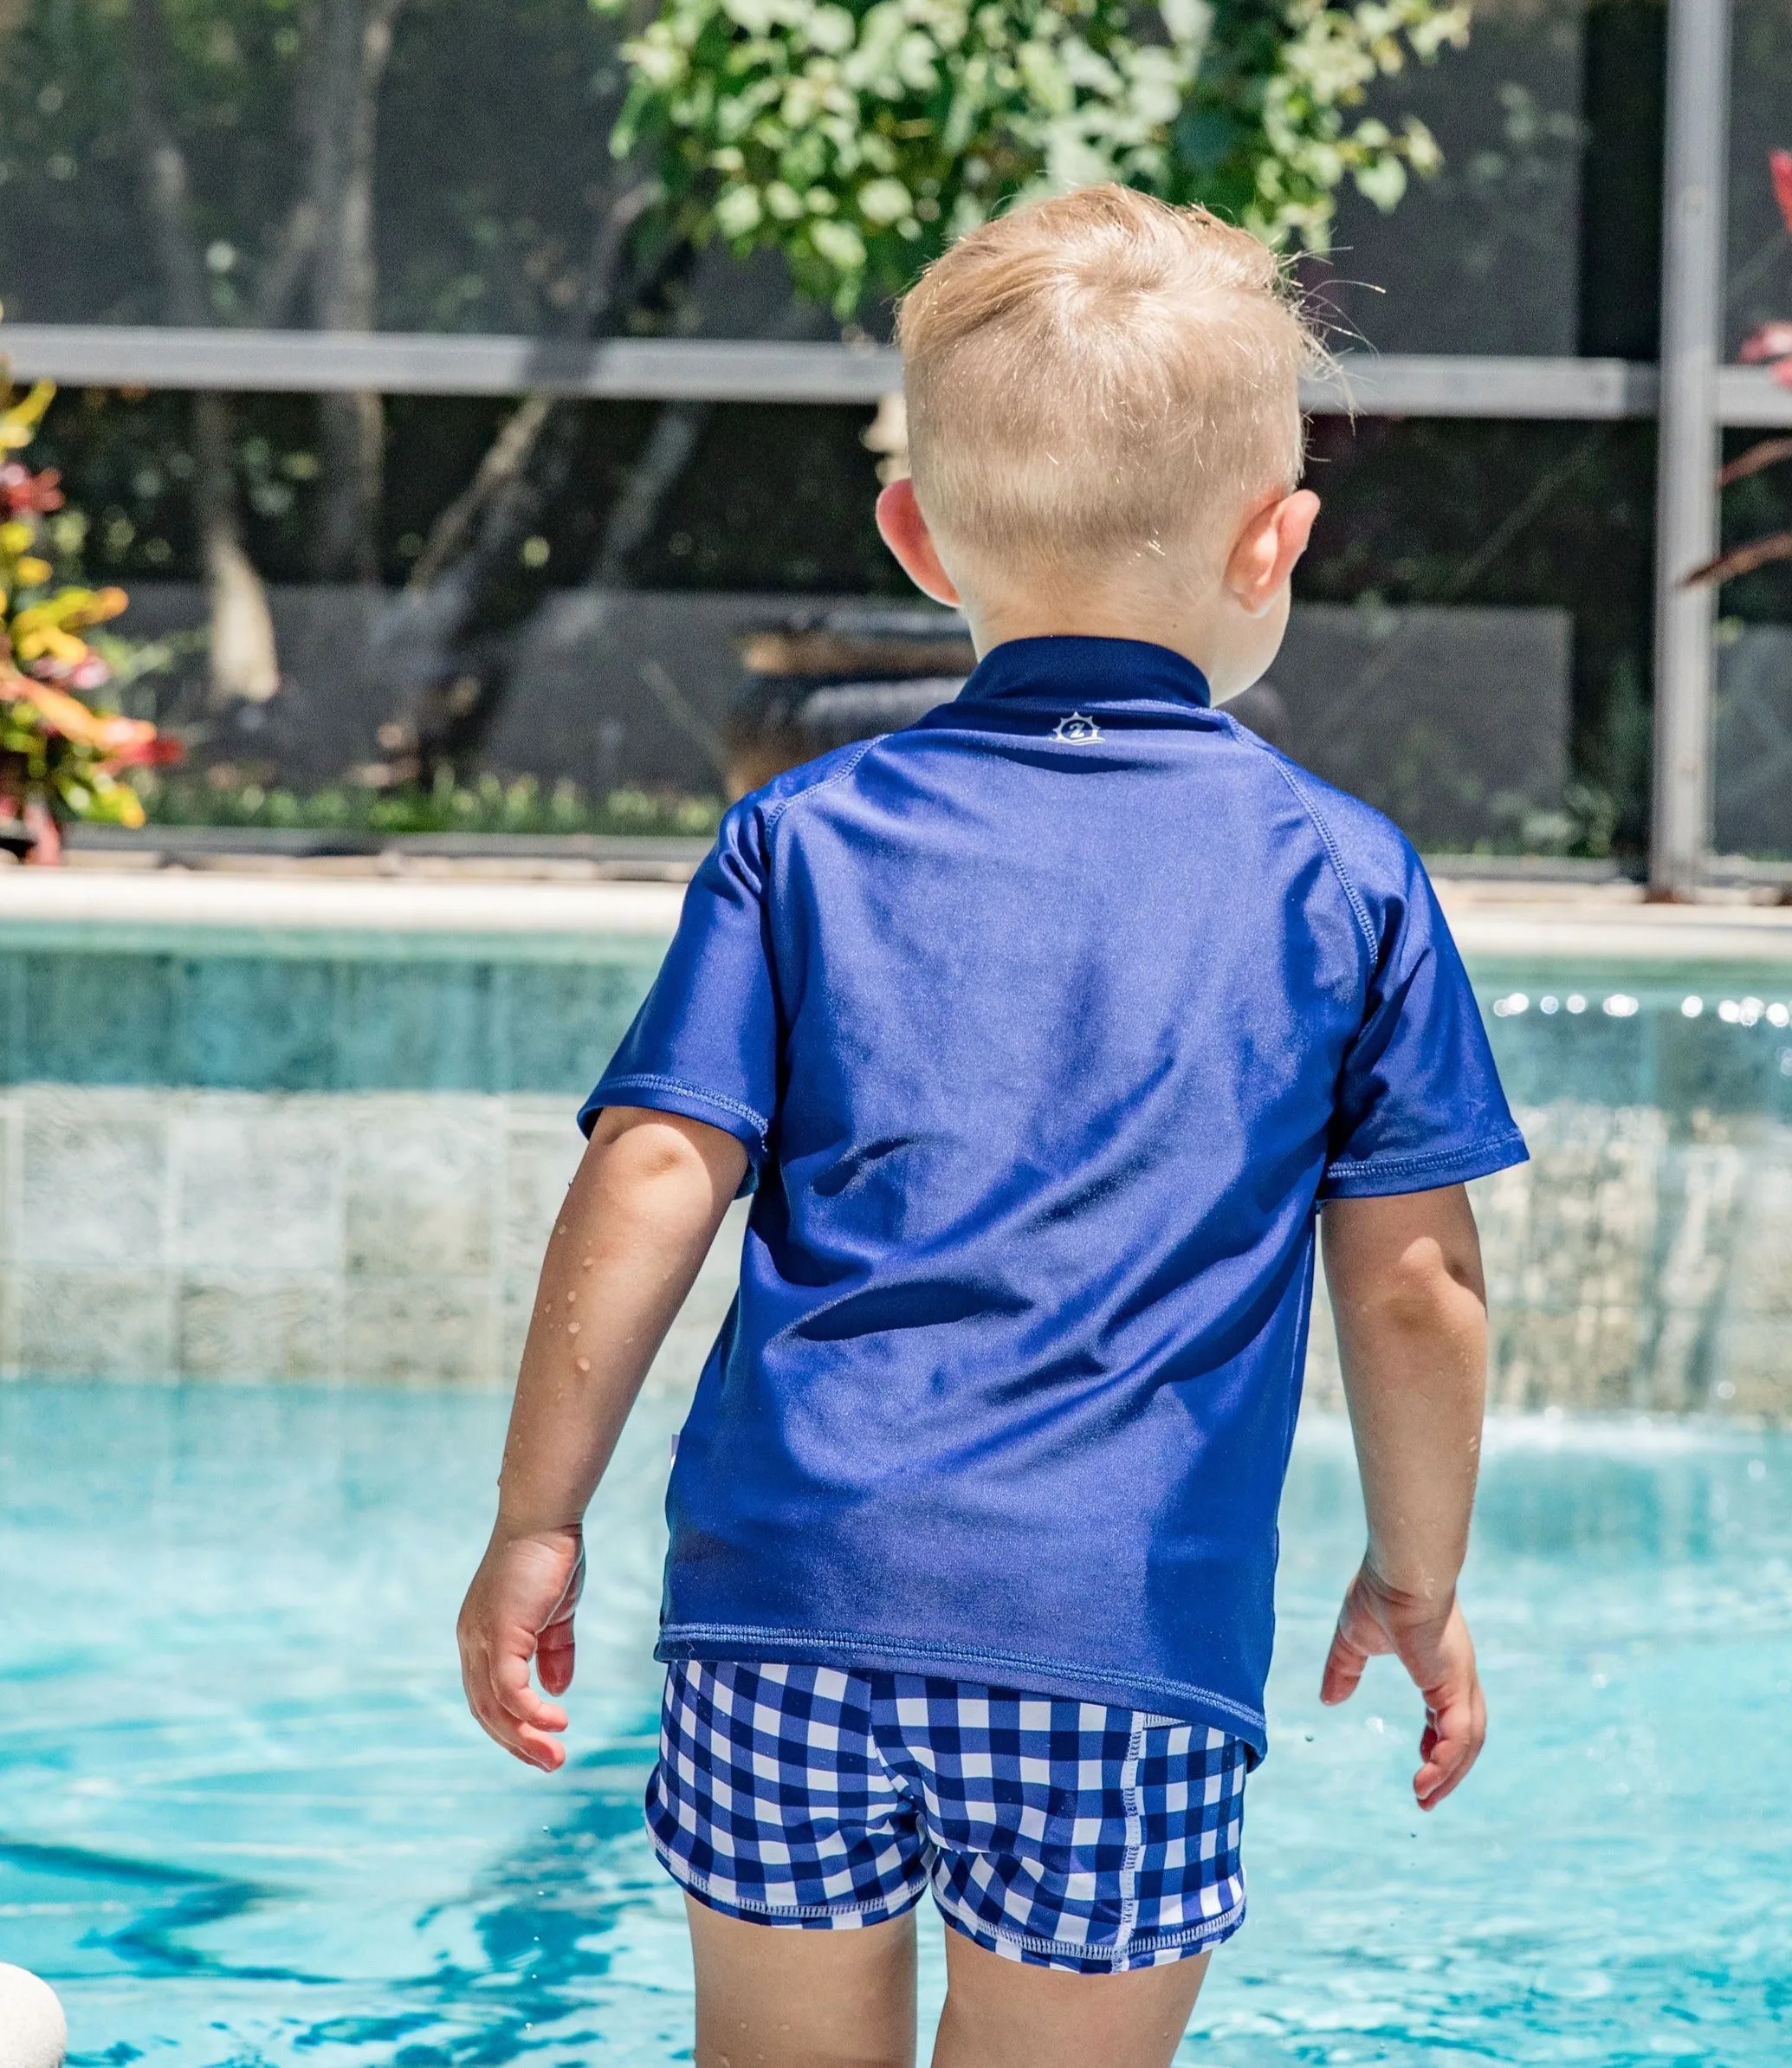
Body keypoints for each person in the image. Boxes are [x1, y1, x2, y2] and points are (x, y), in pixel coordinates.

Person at [457, 183, 1525, 2068]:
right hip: (1120, 1646)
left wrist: (536, 1516)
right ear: (1274, 544)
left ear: (912, 534)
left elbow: (648, 1172)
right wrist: (1415, 1570)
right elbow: (1419, 1282)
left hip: (780, 1616)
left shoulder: (801, 837)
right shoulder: (1341, 881)